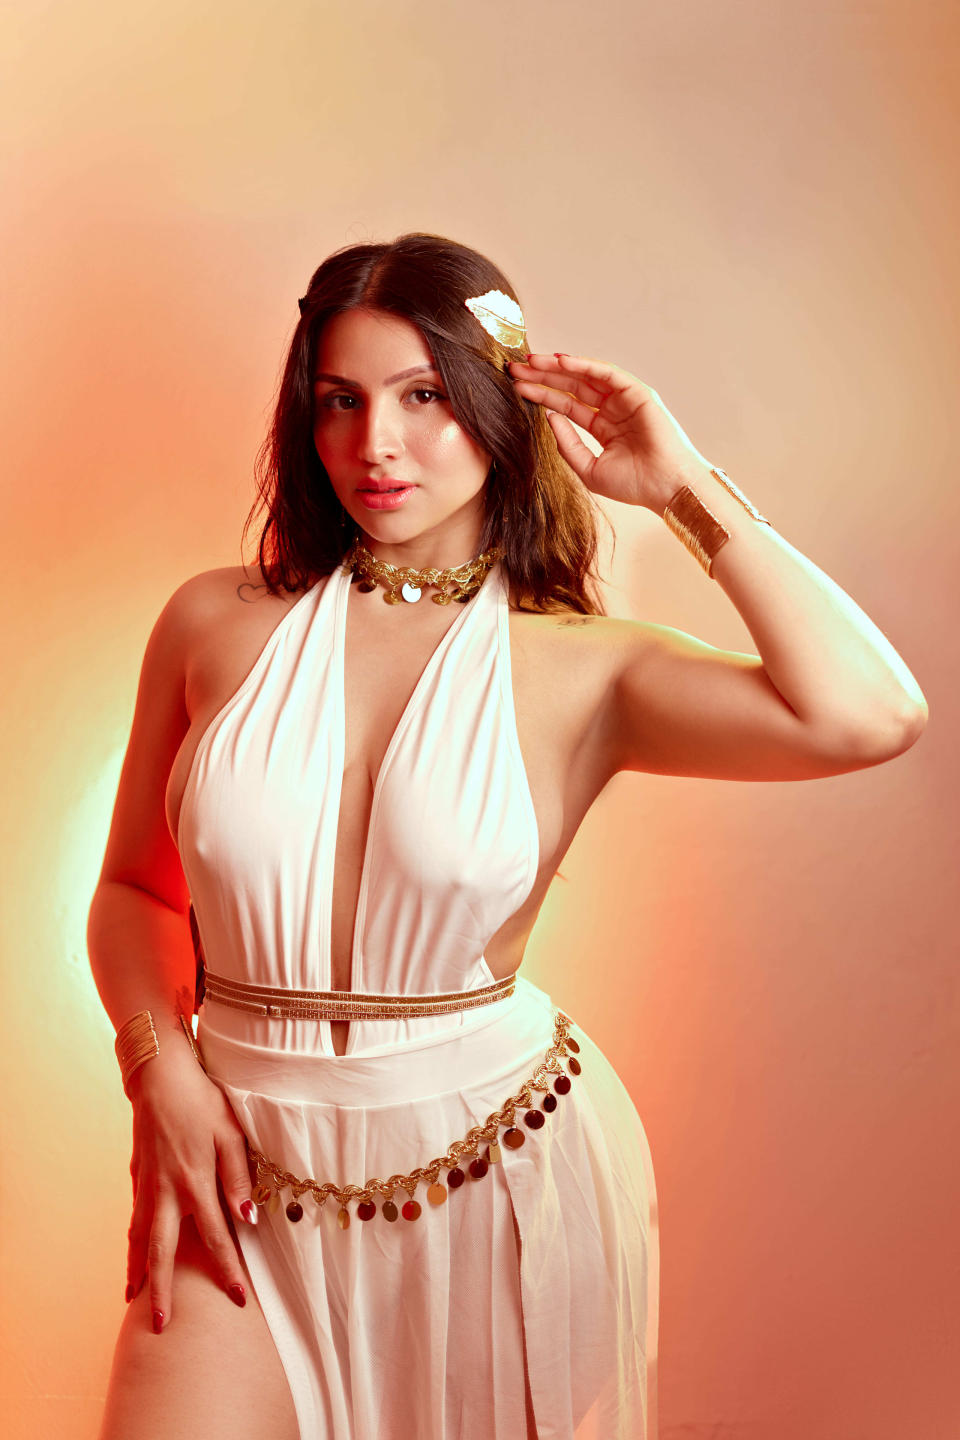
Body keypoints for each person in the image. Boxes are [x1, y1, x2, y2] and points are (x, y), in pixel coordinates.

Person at [87, 231, 928, 1440]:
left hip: (486, 1181)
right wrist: (158, 1067)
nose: (375, 444)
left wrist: (680, 484)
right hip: (236, 1181)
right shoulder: (213, 623)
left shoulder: (587, 670)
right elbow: (132, 890)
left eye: (423, 396)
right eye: (340, 400)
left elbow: (871, 715)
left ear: (497, 402)